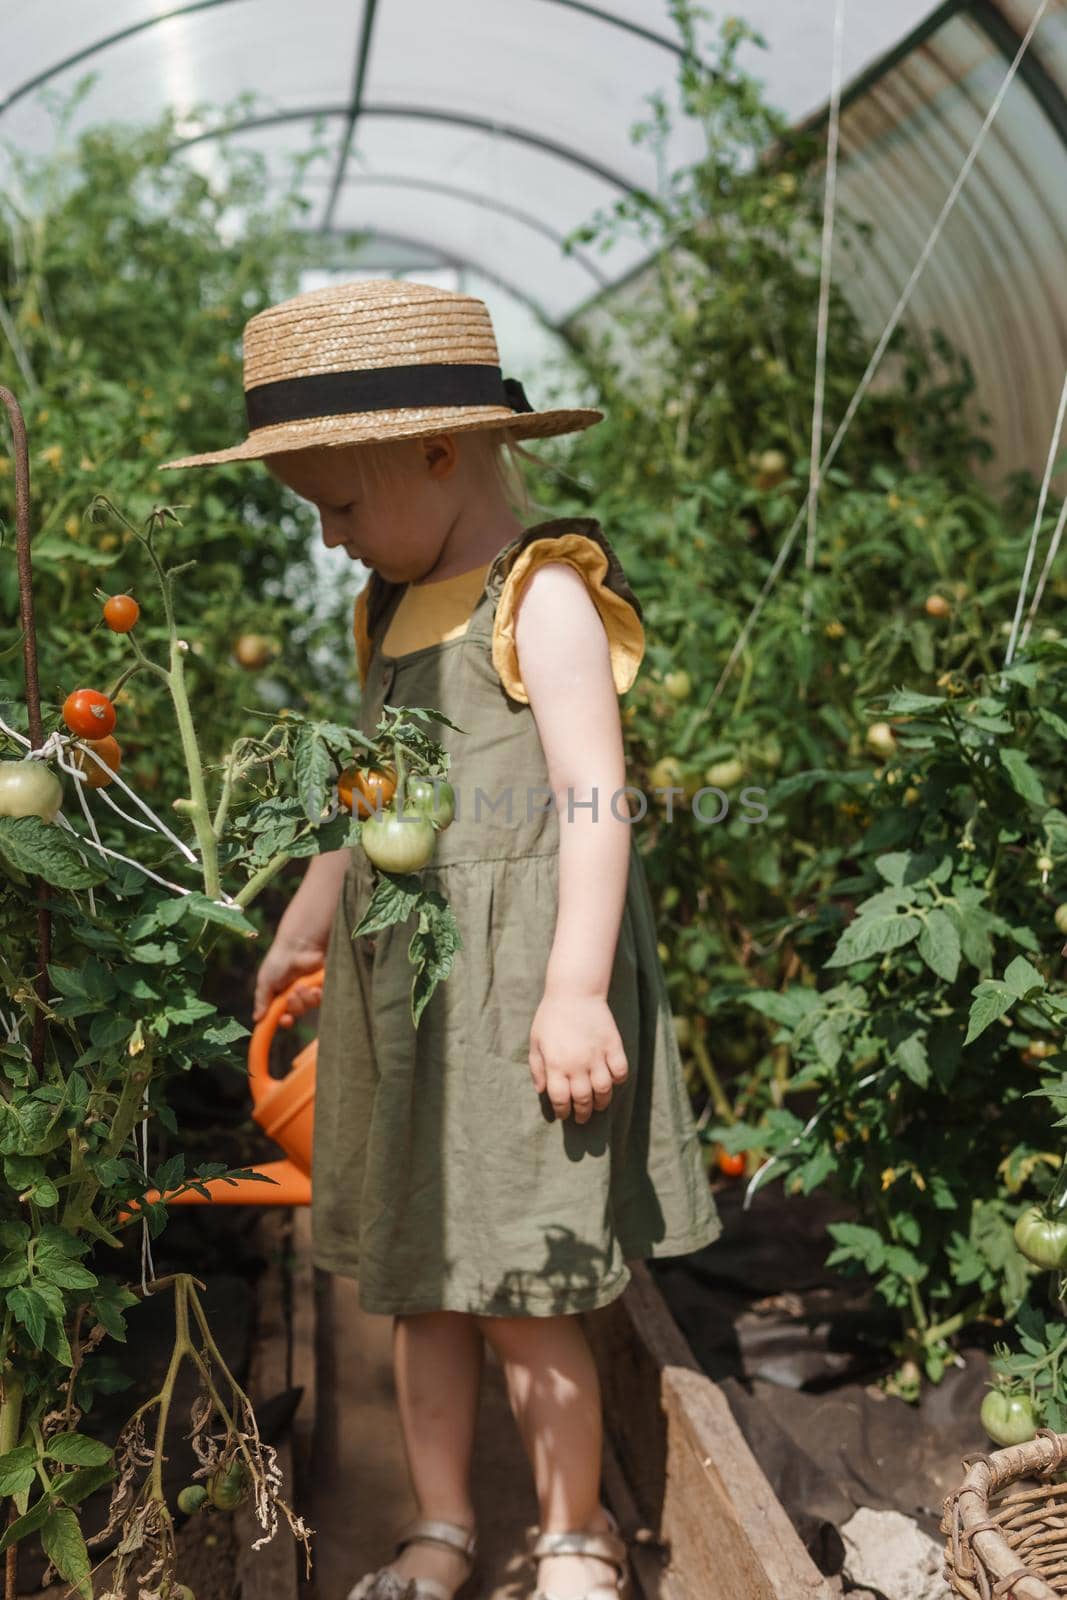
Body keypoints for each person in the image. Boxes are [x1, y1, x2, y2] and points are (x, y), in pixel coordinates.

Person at [160, 278, 721, 1600]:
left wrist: (577, 988)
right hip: (410, 995)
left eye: (342, 507)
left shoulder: (546, 598)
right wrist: (310, 910)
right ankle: (440, 1526)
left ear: (435, 450)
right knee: (422, 1281)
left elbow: (595, 799)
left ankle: (574, 1534)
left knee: (526, 1278)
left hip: (522, 986)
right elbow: (375, 794)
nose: (335, 539)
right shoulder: (388, 609)